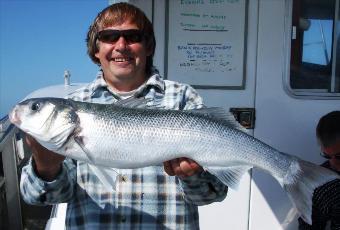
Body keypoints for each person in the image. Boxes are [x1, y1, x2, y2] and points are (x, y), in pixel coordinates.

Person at [20, 3, 228, 229]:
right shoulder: (78, 105)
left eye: (132, 36)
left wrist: (193, 176)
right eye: (109, 36)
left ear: (148, 47)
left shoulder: (182, 98)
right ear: (96, 50)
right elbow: (38, 197)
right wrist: (47, 168)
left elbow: (213, 195)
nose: (121, 45)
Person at [298, 111, 340, 229]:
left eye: (339, 156)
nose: (333, 163)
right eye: (327, 156)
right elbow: (309, 224)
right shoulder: (322, 182)